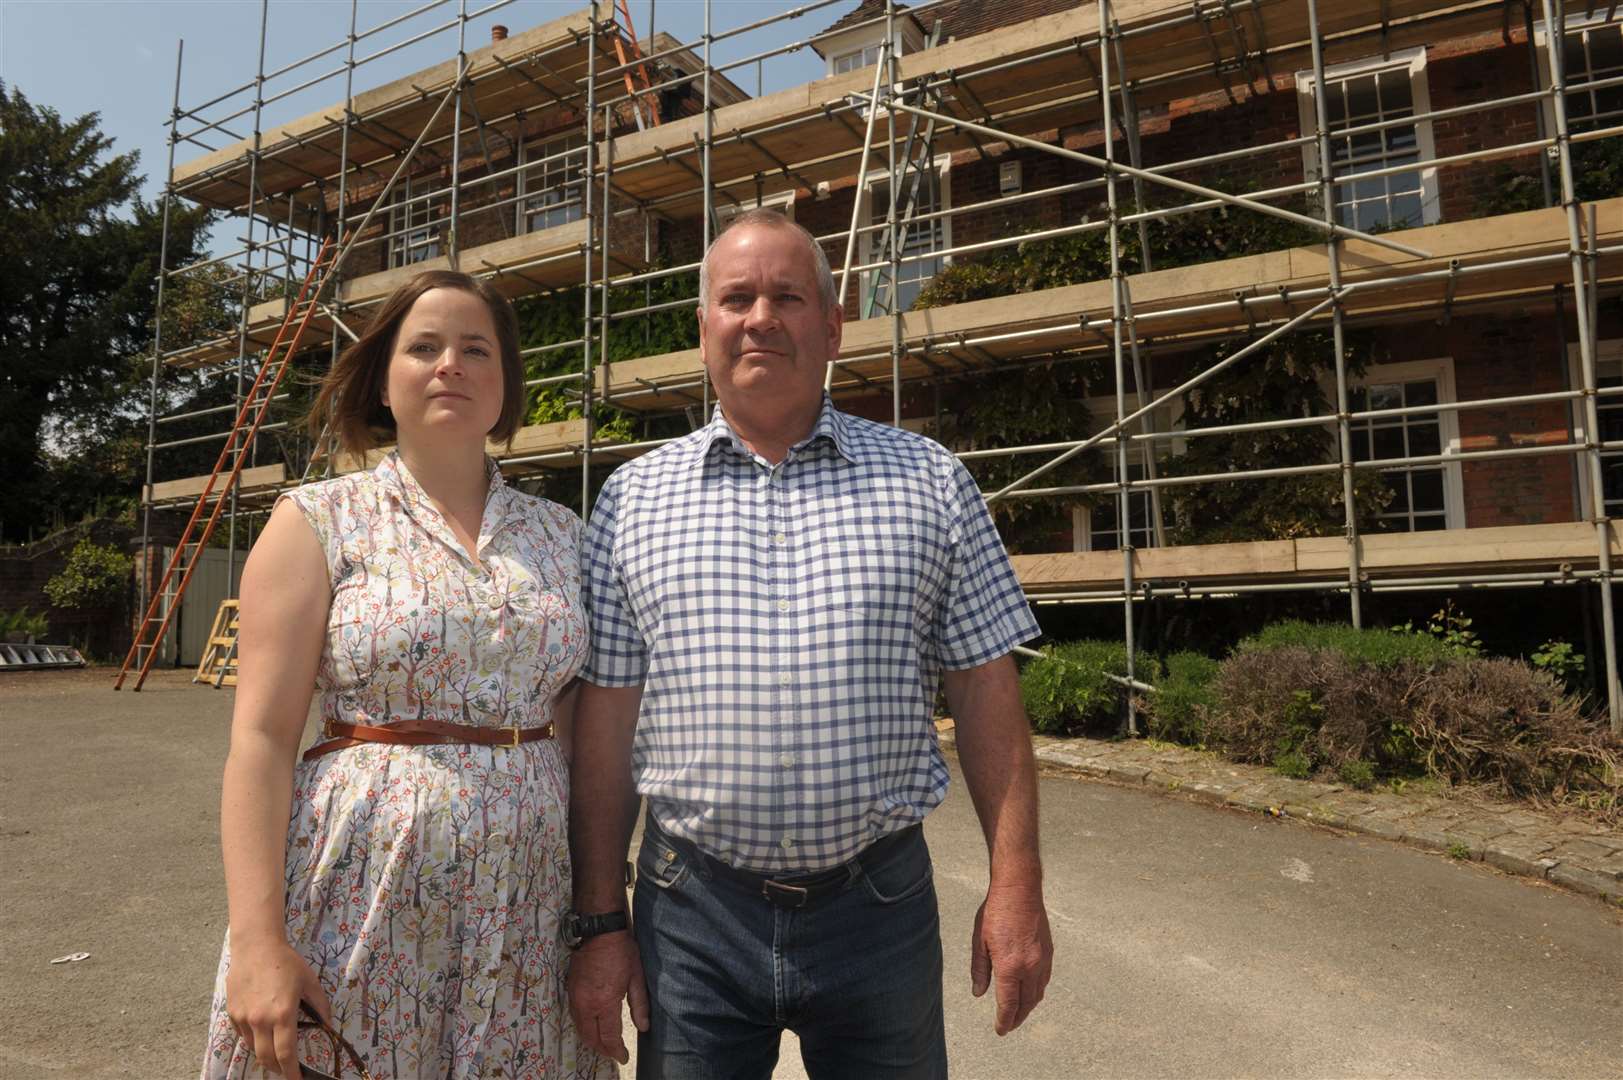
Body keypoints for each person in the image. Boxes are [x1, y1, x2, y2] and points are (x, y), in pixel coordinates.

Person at [567, 209, 1054, 1078]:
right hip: (691, 916)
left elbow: (987, 690)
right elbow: (604, 723)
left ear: (832, 326)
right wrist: (602, 921)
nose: (761, 317)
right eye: (737, 298)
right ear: (704, 328)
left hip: (878, 908)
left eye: (788, 296)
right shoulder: (631, 501)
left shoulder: (928, 480)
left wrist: (1015, 886)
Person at [201, 270, 613, 1079]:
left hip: (525, 904)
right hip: (362, 892)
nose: (449, 364)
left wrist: (600, 911)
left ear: (504, 386)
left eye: (475, 349)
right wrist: (256, 940)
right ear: (384, 381)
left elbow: (577, 723)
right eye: (423, 347)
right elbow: (258, 740)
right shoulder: (316, 519)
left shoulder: (563, 534)